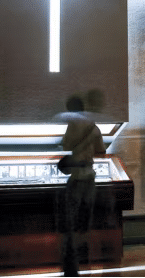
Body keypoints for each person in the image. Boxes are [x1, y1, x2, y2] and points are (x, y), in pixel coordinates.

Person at [58, 95, 106, 276]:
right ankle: (86, 258)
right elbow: (101, 151)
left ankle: (72, 264)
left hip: (76, 178)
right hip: (89, 178)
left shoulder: (72, 126)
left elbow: (66, 147)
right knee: (85, 220)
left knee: (71, 221)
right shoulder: (94, 127)